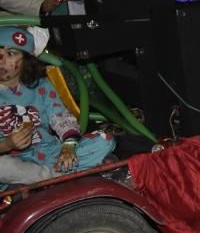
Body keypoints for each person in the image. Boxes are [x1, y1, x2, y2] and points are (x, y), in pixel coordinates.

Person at [0, 26, 115, 186]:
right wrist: (7, 145)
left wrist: (68, 146)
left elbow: (59, 116)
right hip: (13, 160)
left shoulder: (41, 86)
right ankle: (50, 177)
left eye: (11, 53)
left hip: (50, 152)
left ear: (26, 60)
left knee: (105, 141)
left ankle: (44, 179)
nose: (1, 59)